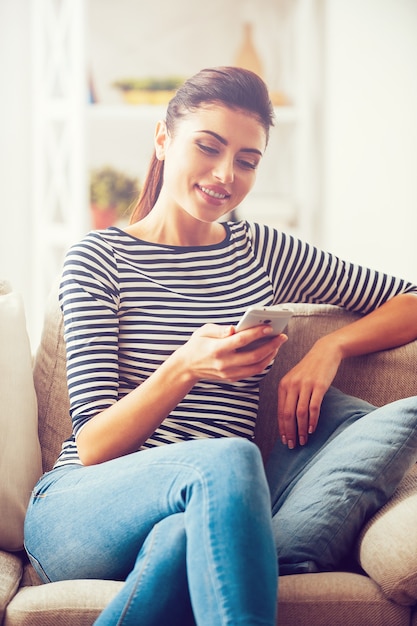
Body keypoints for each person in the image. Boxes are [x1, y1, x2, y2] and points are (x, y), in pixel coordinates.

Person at [24, 66, 417, 624]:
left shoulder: (260, 251)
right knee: (230, 459)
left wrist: (330, 350)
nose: (224, 174)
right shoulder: (97, 260)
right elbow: (92, 446)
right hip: (81, 510)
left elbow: (410, 299)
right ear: (163, 139)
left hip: (192, 518)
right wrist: (183, 368)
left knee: (186, 534)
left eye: (247, 160)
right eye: (207, 147)